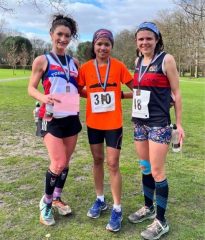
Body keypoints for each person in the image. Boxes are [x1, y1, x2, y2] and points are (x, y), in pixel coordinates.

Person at [128, 22, 185, 239]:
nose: (144, 42)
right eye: (141, 39)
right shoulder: (137, 61)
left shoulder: (166, 59)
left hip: (159, 123)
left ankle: (161, 221)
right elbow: (141, 91)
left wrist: (178, 124)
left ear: (157, 39)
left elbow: (177, 93)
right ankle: (148, 207)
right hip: (139, 122)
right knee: (145, 167)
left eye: (149, 38)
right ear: (137, 42)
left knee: (158, 172)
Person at [28, 14, 82, 226]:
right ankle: (46, 202)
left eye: (67, 35)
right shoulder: (42, 60)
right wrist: (43, 97)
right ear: (52, 35)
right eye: (59, 34)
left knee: (65, 163)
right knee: (57, 162)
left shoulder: (74, 62)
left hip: (71, 117)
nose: (63, 39)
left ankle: (57, 197)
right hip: (50, 118)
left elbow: (79, 89)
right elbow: (31, 88)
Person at [78, 29, 133, 232]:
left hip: (113, 124)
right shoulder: (85, 68)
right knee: (97, 160)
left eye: (107, 44)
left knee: (113, 163)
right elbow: (77, 88)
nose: (103, 47)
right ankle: (100, 199)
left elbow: (134, 86)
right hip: (93, 123)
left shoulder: (118, 66)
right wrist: (92, 95)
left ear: (111, 47)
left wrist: (120, 96)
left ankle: (117, 208)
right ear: (94, 45)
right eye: (99, 44)